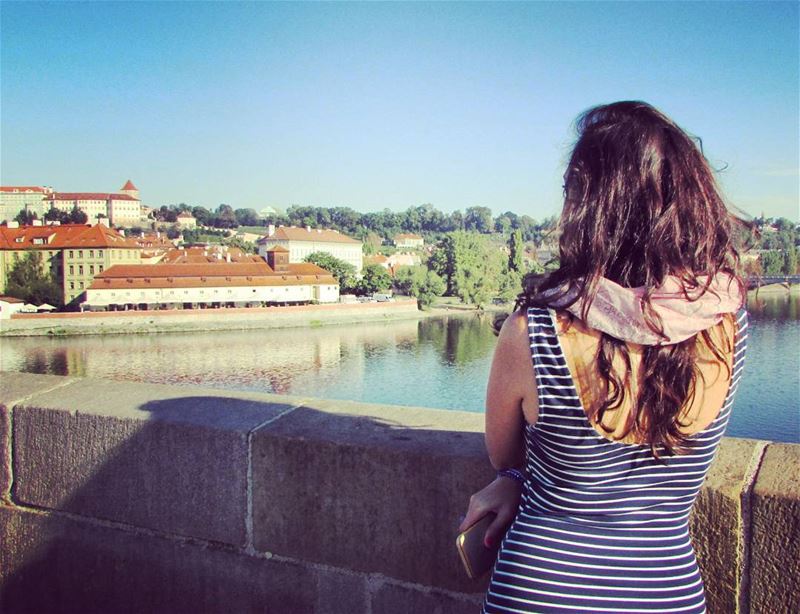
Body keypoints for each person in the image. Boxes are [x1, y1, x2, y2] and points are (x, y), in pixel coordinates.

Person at [459, 101, 748, 613]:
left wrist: (512, 482)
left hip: (541, 588)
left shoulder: (535, 330)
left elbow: (506, 457)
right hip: (664, 592)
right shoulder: (727, 322)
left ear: (588, 206)